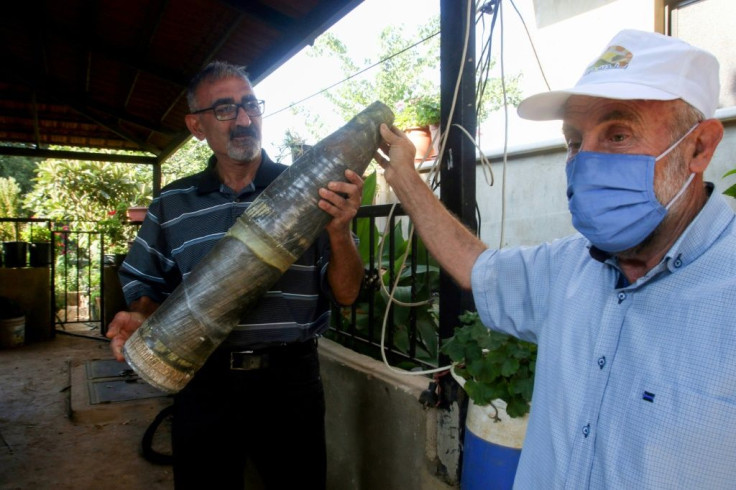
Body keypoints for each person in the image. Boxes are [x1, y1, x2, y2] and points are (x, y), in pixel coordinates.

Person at [376, 29, 736, 488]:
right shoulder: (566, 269)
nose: (584, 161)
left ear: (698, 148)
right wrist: (406, 177)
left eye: (618, 134)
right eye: (573, 141)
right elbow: (475, 265)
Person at [106, 60, 364, 489]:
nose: (244, 119)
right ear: (197, 125)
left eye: (250, 105)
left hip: (289, 381)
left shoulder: (310, 192)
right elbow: (144, 280)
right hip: (203, 379)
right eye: (225, 109)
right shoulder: (173, 203)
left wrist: (340, 232)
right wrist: (144, 313)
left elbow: (347, 294)